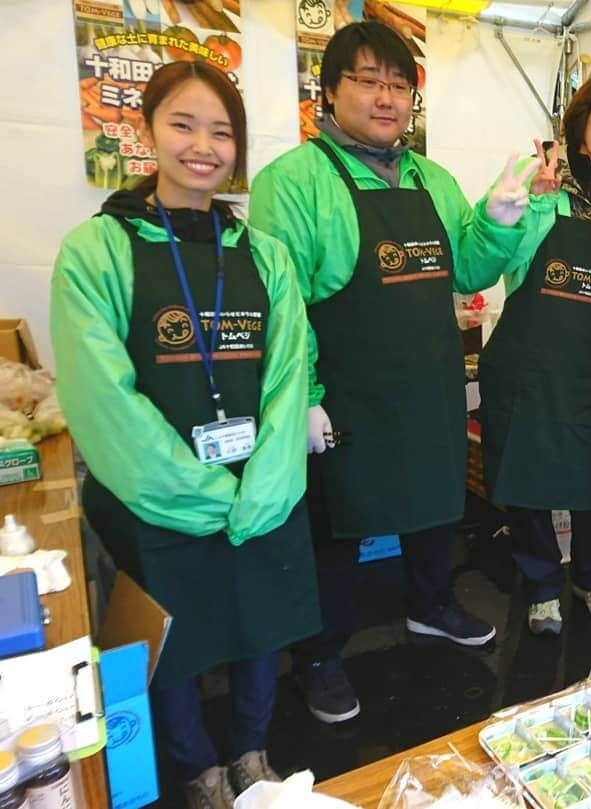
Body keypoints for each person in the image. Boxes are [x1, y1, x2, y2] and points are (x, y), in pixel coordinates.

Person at [249, 22, 538, 723]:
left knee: (437, 506)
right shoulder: (291, 183)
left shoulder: (429, 177)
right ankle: (319, 654)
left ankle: (432, 603)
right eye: (368, 80)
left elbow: (469, 269)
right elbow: (279, 309)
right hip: (344, 394)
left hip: (428, 383)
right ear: (330, 90)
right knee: (336, 529)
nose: (386, 97)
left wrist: (498, 219)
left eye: (399, 83)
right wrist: (306, 399)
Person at [51, 62, 319, 809]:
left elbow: (290, 371)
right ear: (146, 131)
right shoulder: (96, 249)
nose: (203, 145)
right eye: (183, 124)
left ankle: (250, 751)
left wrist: (262, 483)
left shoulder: (264, 254)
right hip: (157, 498)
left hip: (262, 489)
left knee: (261, 617)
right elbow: (102, 393)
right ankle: (198, 768)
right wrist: (198, 491)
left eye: (222, 132)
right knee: (170, 637)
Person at [471, 70, 591, 635]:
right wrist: (521, 209)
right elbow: (487, 263)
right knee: (528, 475)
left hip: (585, 364)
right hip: (525, 360)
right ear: (582, 113)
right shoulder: (533, 172)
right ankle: (543, 584)